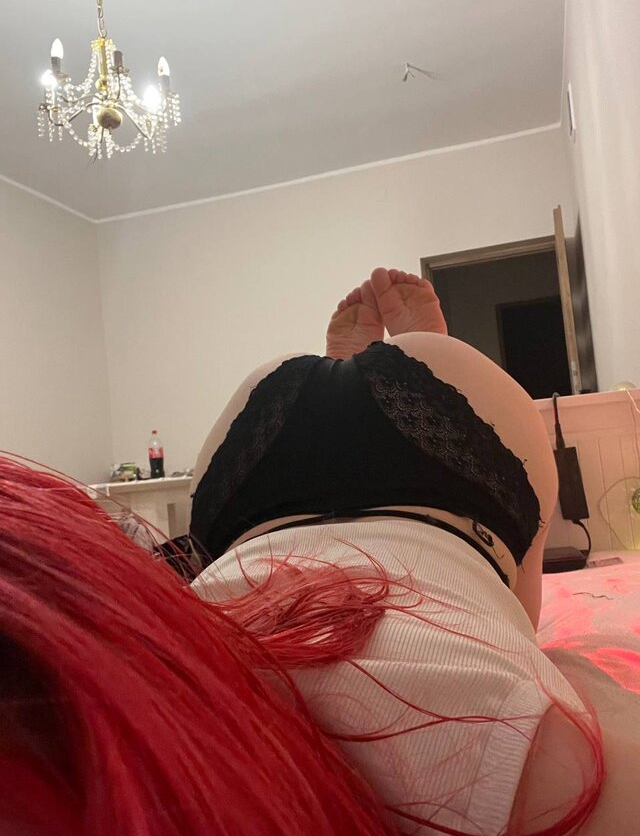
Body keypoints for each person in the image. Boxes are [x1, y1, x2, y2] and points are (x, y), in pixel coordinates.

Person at [1, 268, 626, 834]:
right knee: (511, 605)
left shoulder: (527, 770)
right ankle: (403, 360)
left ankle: (399, 362)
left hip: (426, 471)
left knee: (513, 601)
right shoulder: (520, 772)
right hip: (258, 475)